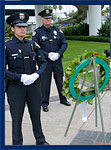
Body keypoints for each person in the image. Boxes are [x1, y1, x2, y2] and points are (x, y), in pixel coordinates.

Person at [5, 12, 49, 145]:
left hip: (34, 87)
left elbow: (44, 62)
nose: (23, 29)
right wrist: (20, 77)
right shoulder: (7, 46)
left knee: (36, 115)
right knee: (17, 118)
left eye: (24, 26)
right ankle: (17, 144)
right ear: (12, 28)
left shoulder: (32, 44)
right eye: (19, 27)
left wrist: (37, 74)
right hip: (15, 88)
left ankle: (40, 141)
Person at [32, 9, 71, 112]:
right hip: (45, 62)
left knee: (60, 80)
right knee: (45, 83)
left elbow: (64, 43)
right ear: (42, 19)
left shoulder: (57, 30)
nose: (48, 20)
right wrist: (47, 54)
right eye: (46, 18)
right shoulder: (38, 32)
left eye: (49, 18)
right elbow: (35, 46)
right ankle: (44, 103)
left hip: (57, 60)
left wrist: (59, 53)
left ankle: (63, 99)